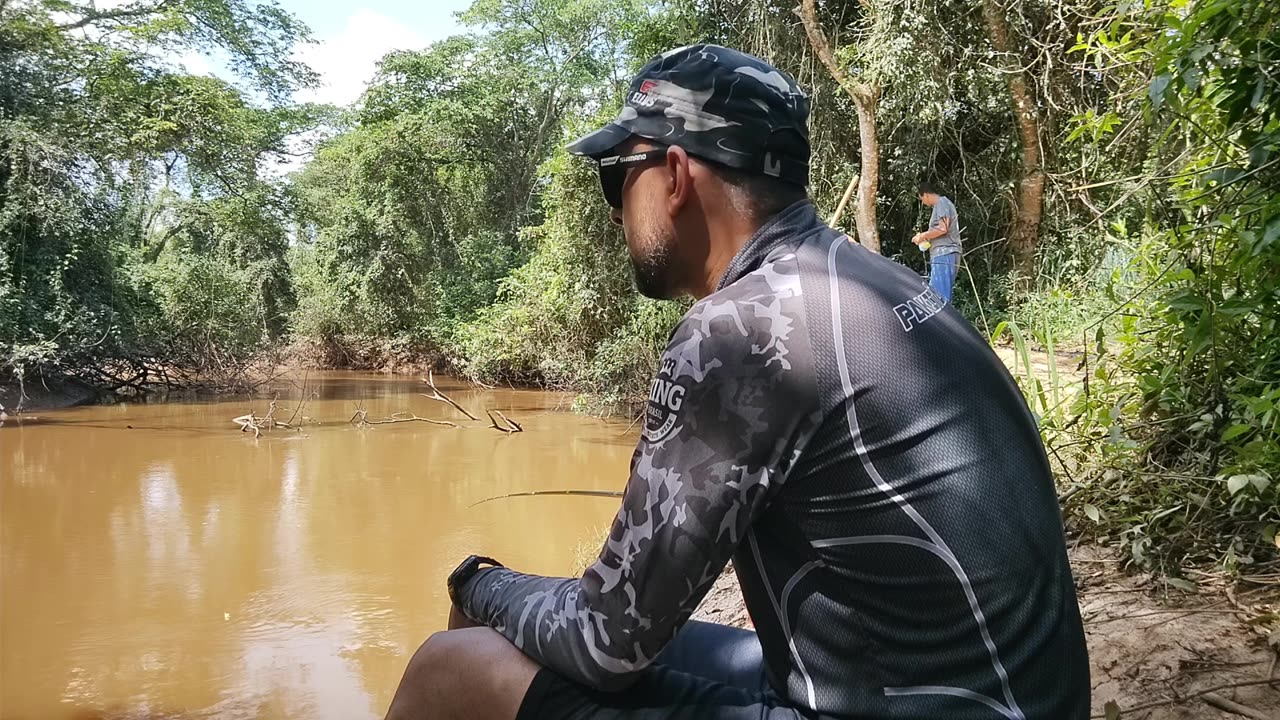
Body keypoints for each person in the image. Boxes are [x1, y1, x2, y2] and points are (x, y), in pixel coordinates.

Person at [386, 44, 1089, 720]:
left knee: (449, 665)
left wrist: (479, 579)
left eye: (615, 177)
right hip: (992, 697)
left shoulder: (744, 329)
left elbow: (611, 640)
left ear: (675, 174)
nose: (613, 209)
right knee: (490, 630)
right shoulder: (876, 284)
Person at [912, 182, 963, 302]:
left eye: (922, 199)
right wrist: (927, 239)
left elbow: (942, 228)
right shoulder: (943, 204)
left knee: (939, 297)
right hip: (945, 253)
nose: (923, 203)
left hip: (944, 253)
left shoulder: (941, 203)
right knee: (937, 294)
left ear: (925, 195)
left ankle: (944, 320)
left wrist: (922, 235)